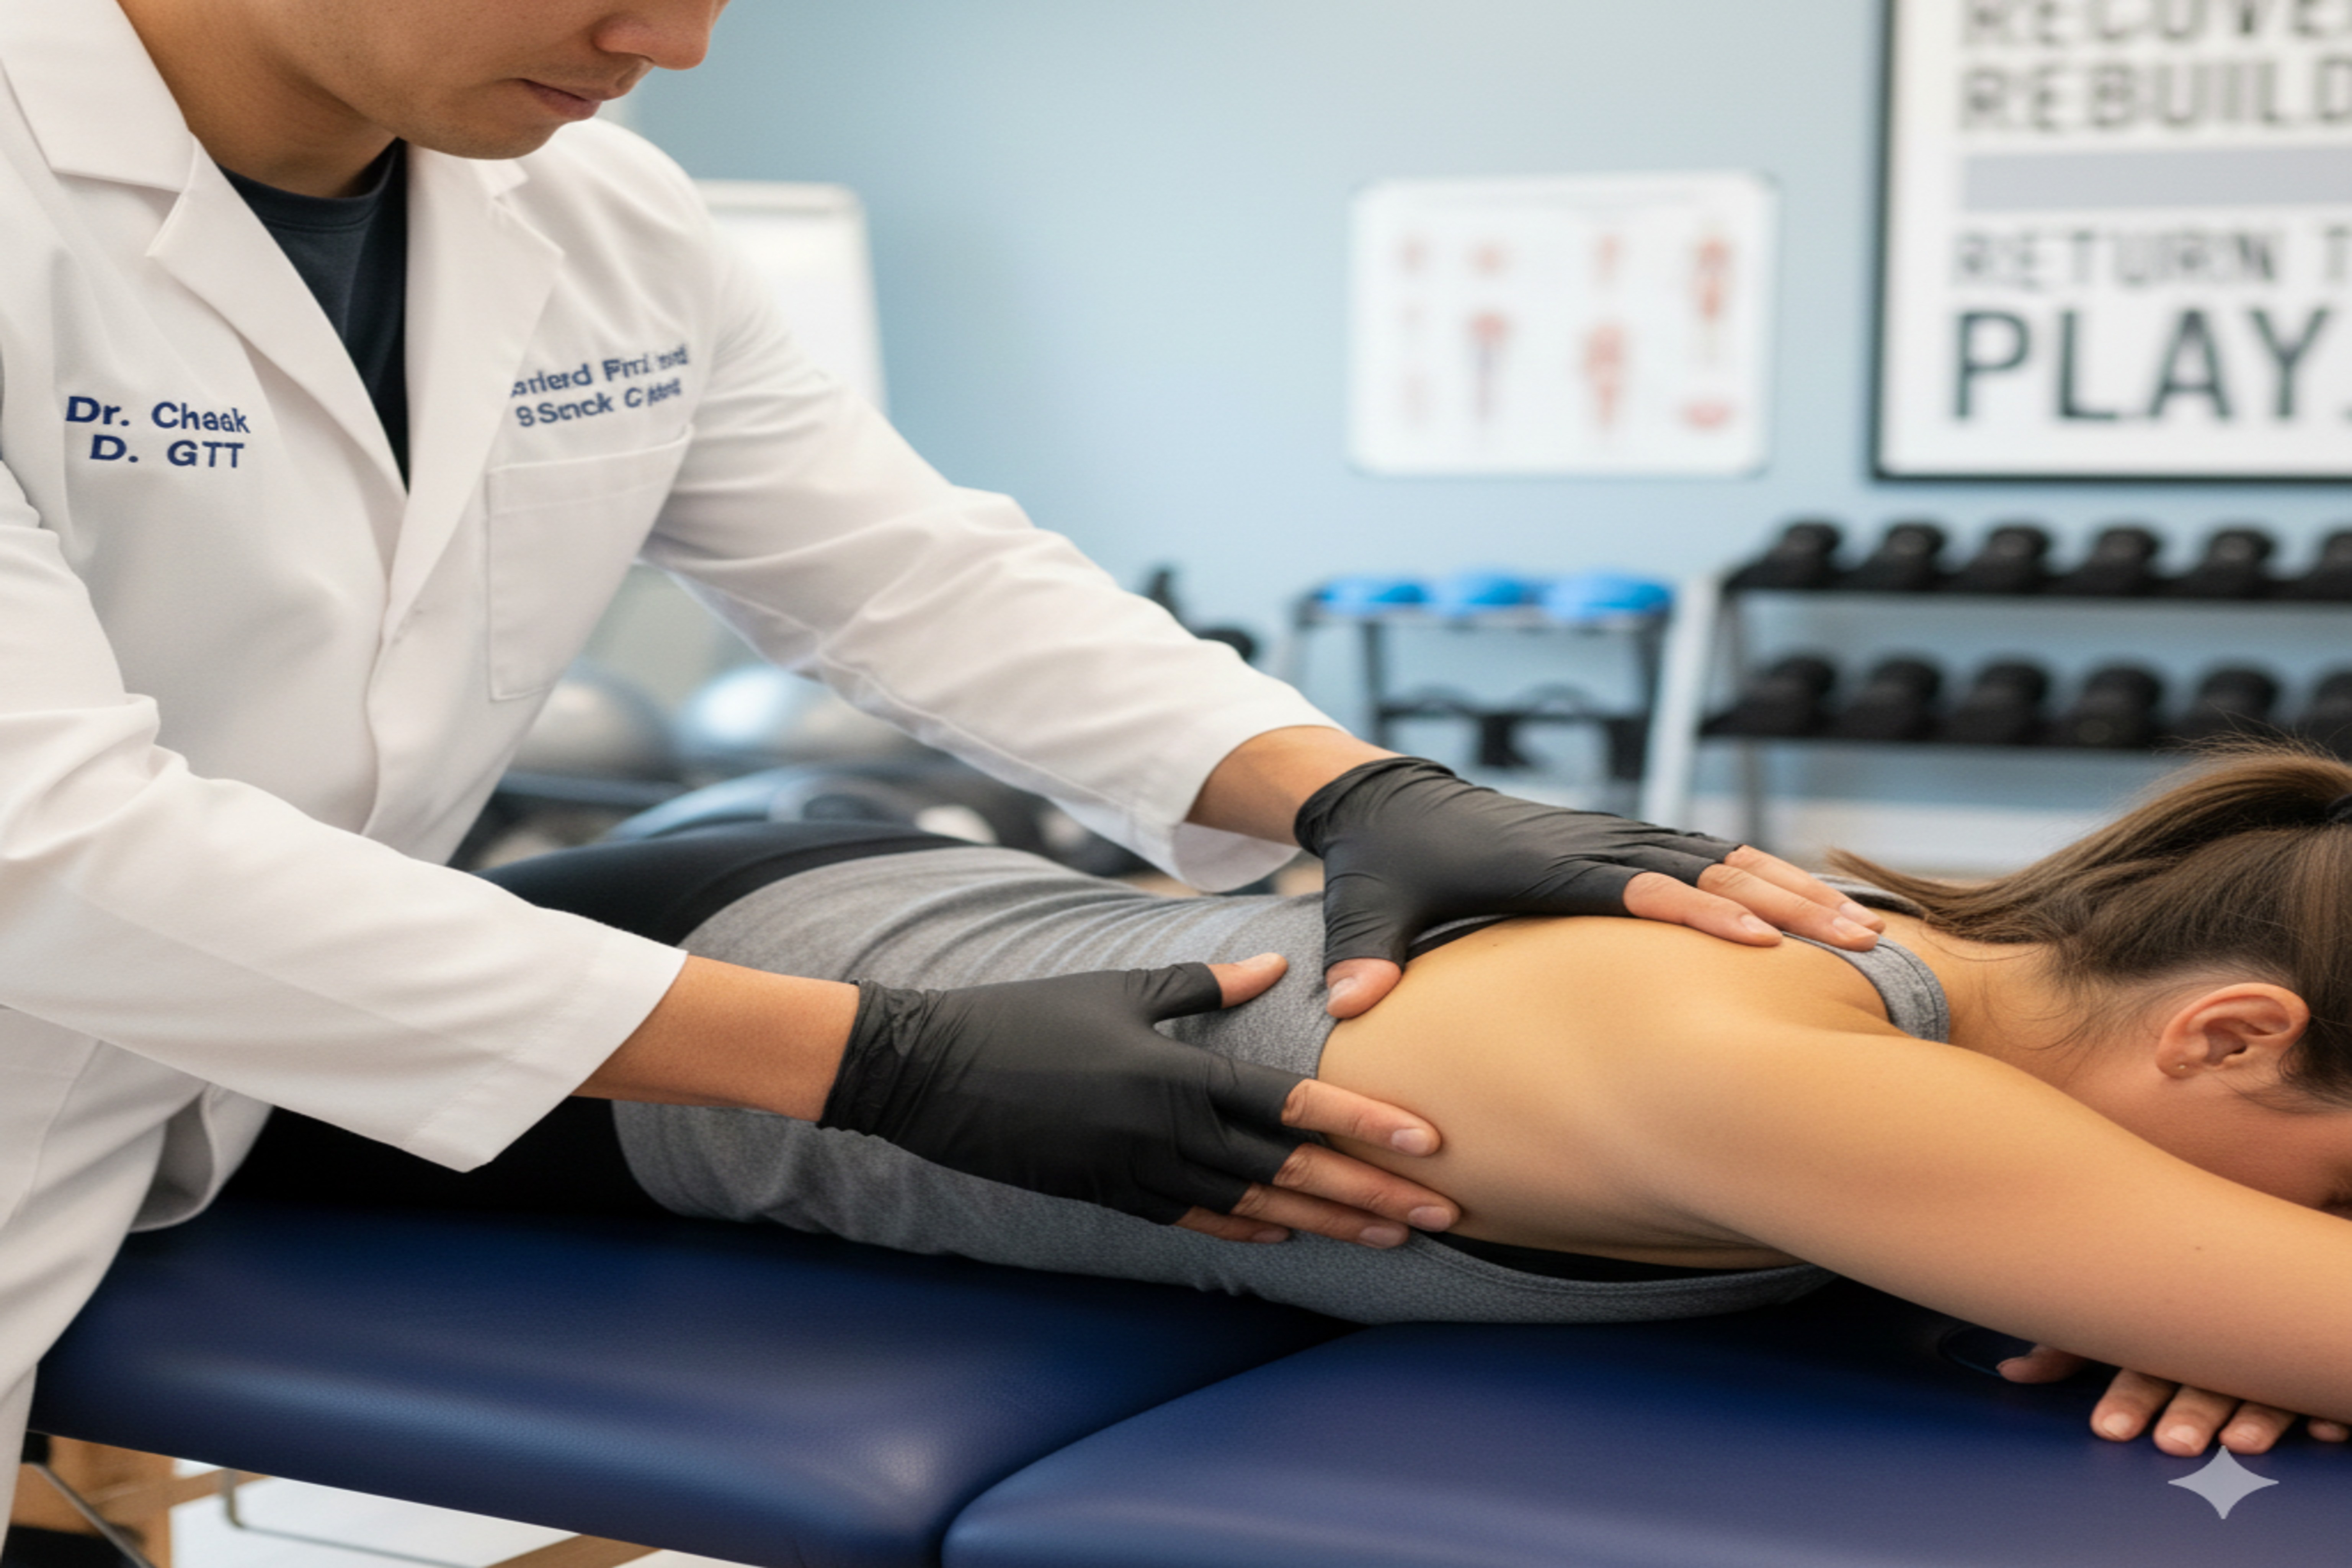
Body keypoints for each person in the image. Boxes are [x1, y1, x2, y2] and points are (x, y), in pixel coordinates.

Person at [0, 0, 1881, 1527]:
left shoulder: (600, 220)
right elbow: (51, 849)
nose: (680, 38)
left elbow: (915, 574)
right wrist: (872, 1064)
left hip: (196, 1092)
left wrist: (1349, 789)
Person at [240, 745, 2352, 1461]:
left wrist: (2221, 1296)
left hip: (885, 884)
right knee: (98, 1108)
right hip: (642, 1037)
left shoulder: (1917, 957)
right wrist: (2254, 1319)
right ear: (2231, 1035)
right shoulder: (1801, 1073)